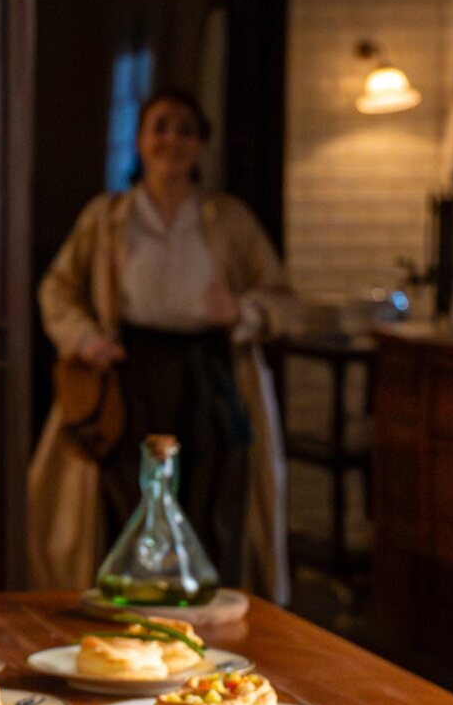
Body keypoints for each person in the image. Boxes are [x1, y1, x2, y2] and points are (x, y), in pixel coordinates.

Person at [27, 86, 296, 604]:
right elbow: (57, 288)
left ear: (201, 145)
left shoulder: (228, 219)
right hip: (133, 372)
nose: (173, 139)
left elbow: (285, 300)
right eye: (161, 126)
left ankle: (209, 613)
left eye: (186, 129)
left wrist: (243, 311)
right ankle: (132, 612)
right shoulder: (108, 217)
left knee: (213, 492)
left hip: (210, 372)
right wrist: (85, 339)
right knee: (128, 494)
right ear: (140, 139)